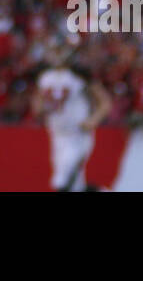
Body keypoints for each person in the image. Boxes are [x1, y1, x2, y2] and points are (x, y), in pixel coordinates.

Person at [32, 51, 111, 191]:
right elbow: (37, 106)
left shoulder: (80, 76)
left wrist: (93, 120)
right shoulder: (45, 77)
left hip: (77, 135)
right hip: (57, 135)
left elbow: (104, 102)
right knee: (75, 186)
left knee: (61, 180)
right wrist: (42, 108)